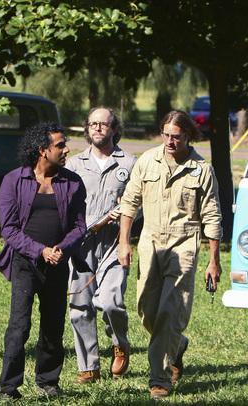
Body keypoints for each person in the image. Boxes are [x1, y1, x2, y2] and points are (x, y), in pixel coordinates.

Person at [117, 110, 223, 399]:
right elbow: (129, 203)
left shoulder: (202, 170)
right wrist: (123, 242)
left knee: (170, 311)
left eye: (176, 137)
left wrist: (214, 260)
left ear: (188, 136)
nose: (169, 141)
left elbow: (212, 215)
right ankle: (176, 345)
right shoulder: (147, 161)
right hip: (150, 241)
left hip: (184, 242)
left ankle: (159, 378)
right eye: (165, 135)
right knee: (146, 310)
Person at [0, 122, 86, 400]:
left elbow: (79, 226)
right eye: (60, 144)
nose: (66, 149)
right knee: (19, 326)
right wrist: (40, 250)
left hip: (57, 264)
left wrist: (60, 248)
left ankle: (48, 381)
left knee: (53, 325)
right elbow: (9, 229)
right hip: (25, 263)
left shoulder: (72, 182)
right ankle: (9, 387)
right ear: (42, 150)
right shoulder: (15, 180)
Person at [66, 107, 137, 383]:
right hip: (80, 245)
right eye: (93, 124)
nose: (97, 128)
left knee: (110, 302)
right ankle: (89, 366)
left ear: (114, 129)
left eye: (103, 124)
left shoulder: (129, 164)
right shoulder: (73, 165)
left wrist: (125, 213)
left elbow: (138, 203)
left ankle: (120, 344)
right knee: (80, 305)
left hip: (113, 243)